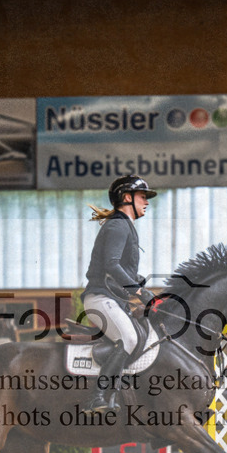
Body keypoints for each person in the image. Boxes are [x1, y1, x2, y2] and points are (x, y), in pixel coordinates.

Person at [81, 175, 158, 413]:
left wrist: (142, 286)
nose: (146, 202)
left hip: (112, 298)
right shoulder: (117, 225)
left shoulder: (124, 226)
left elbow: (122, 269)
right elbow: (112, 265)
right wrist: (137, 290)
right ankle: (97, 397)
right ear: (127, 198)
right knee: (129, 339)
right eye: (142, 197)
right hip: (100, 297)